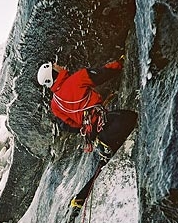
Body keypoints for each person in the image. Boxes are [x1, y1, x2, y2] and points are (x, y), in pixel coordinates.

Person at [37, 56, 137, 209]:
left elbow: (69, 126)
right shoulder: (77, 79)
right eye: (54, 66)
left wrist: (86, 123)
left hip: (96, 136)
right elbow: (103, 73)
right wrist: (120, 63)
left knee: (102, 166)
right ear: (53, 74)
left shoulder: (55, 104)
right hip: (108, 125)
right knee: (133, 117)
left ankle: (79, 199)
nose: (58, 65)